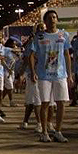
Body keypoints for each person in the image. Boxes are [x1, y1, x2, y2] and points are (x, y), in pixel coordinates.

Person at [29, 10, 73, 142]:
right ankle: (44, 132)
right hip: (44, 76)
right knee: (45, 104)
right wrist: (33, 72)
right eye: (49, 18)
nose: (52, 20)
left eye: (54, 17)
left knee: (61, 104)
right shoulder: (39, 37)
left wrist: (69, 74)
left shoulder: (63, 34)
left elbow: (66, 55)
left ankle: (58, 131)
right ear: (45, 21)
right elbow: (31, 55)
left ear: (57, 20)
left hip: (60, 75)